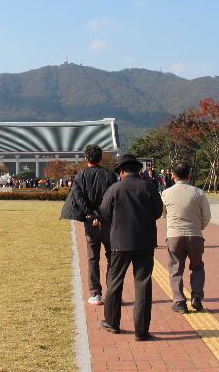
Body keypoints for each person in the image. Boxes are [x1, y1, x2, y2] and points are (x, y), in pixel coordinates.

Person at [98, 153, 164, 341]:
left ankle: (112, 322)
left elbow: (104, 212)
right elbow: (158, 211)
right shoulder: (149, 187)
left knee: (115, 281)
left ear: (122, 171)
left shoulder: (114, 189)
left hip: (119, 241)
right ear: (137, 170)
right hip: (145, 241)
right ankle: (141, 330)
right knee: (143, 283)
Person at [60, 144, 118, 306]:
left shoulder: (79, 177)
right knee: (111, 257)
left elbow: (78, 198)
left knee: (93, 258)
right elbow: (111, 197)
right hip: (108, 221)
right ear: (100, 158)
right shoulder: (110, 176)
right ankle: (112, 292)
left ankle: (95, 293)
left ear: (86, 159)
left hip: (89, 222)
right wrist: (102, 214)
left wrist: (90, 214)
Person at [161, 161, 211, 313]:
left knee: (175, 269)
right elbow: (207, 216)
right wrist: (199, 226)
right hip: (194, 235)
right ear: (189, 175)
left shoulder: (165, 193)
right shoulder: (198, 193)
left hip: (174, 235)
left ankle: (179, 302)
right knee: (197, 267)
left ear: (173, 175)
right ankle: (196, 297)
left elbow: (162, 213)